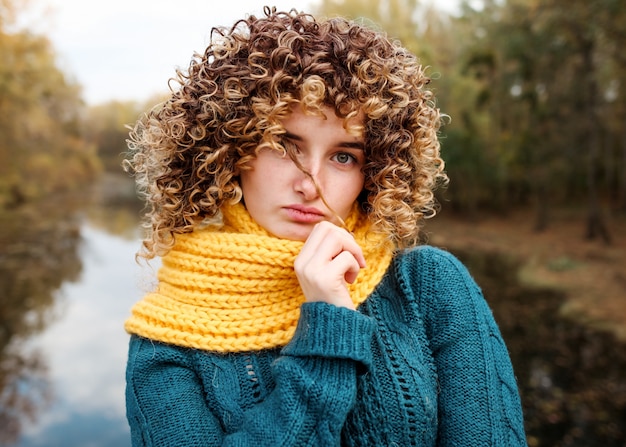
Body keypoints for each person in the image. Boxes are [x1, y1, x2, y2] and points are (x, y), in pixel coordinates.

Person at [123, 6, 527, 446]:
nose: (311, 183)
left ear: (374, 173)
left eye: (343, 156)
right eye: (283, 145)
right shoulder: (166, 342)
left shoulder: (428, 285)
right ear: (230, 150)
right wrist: (328, 331)